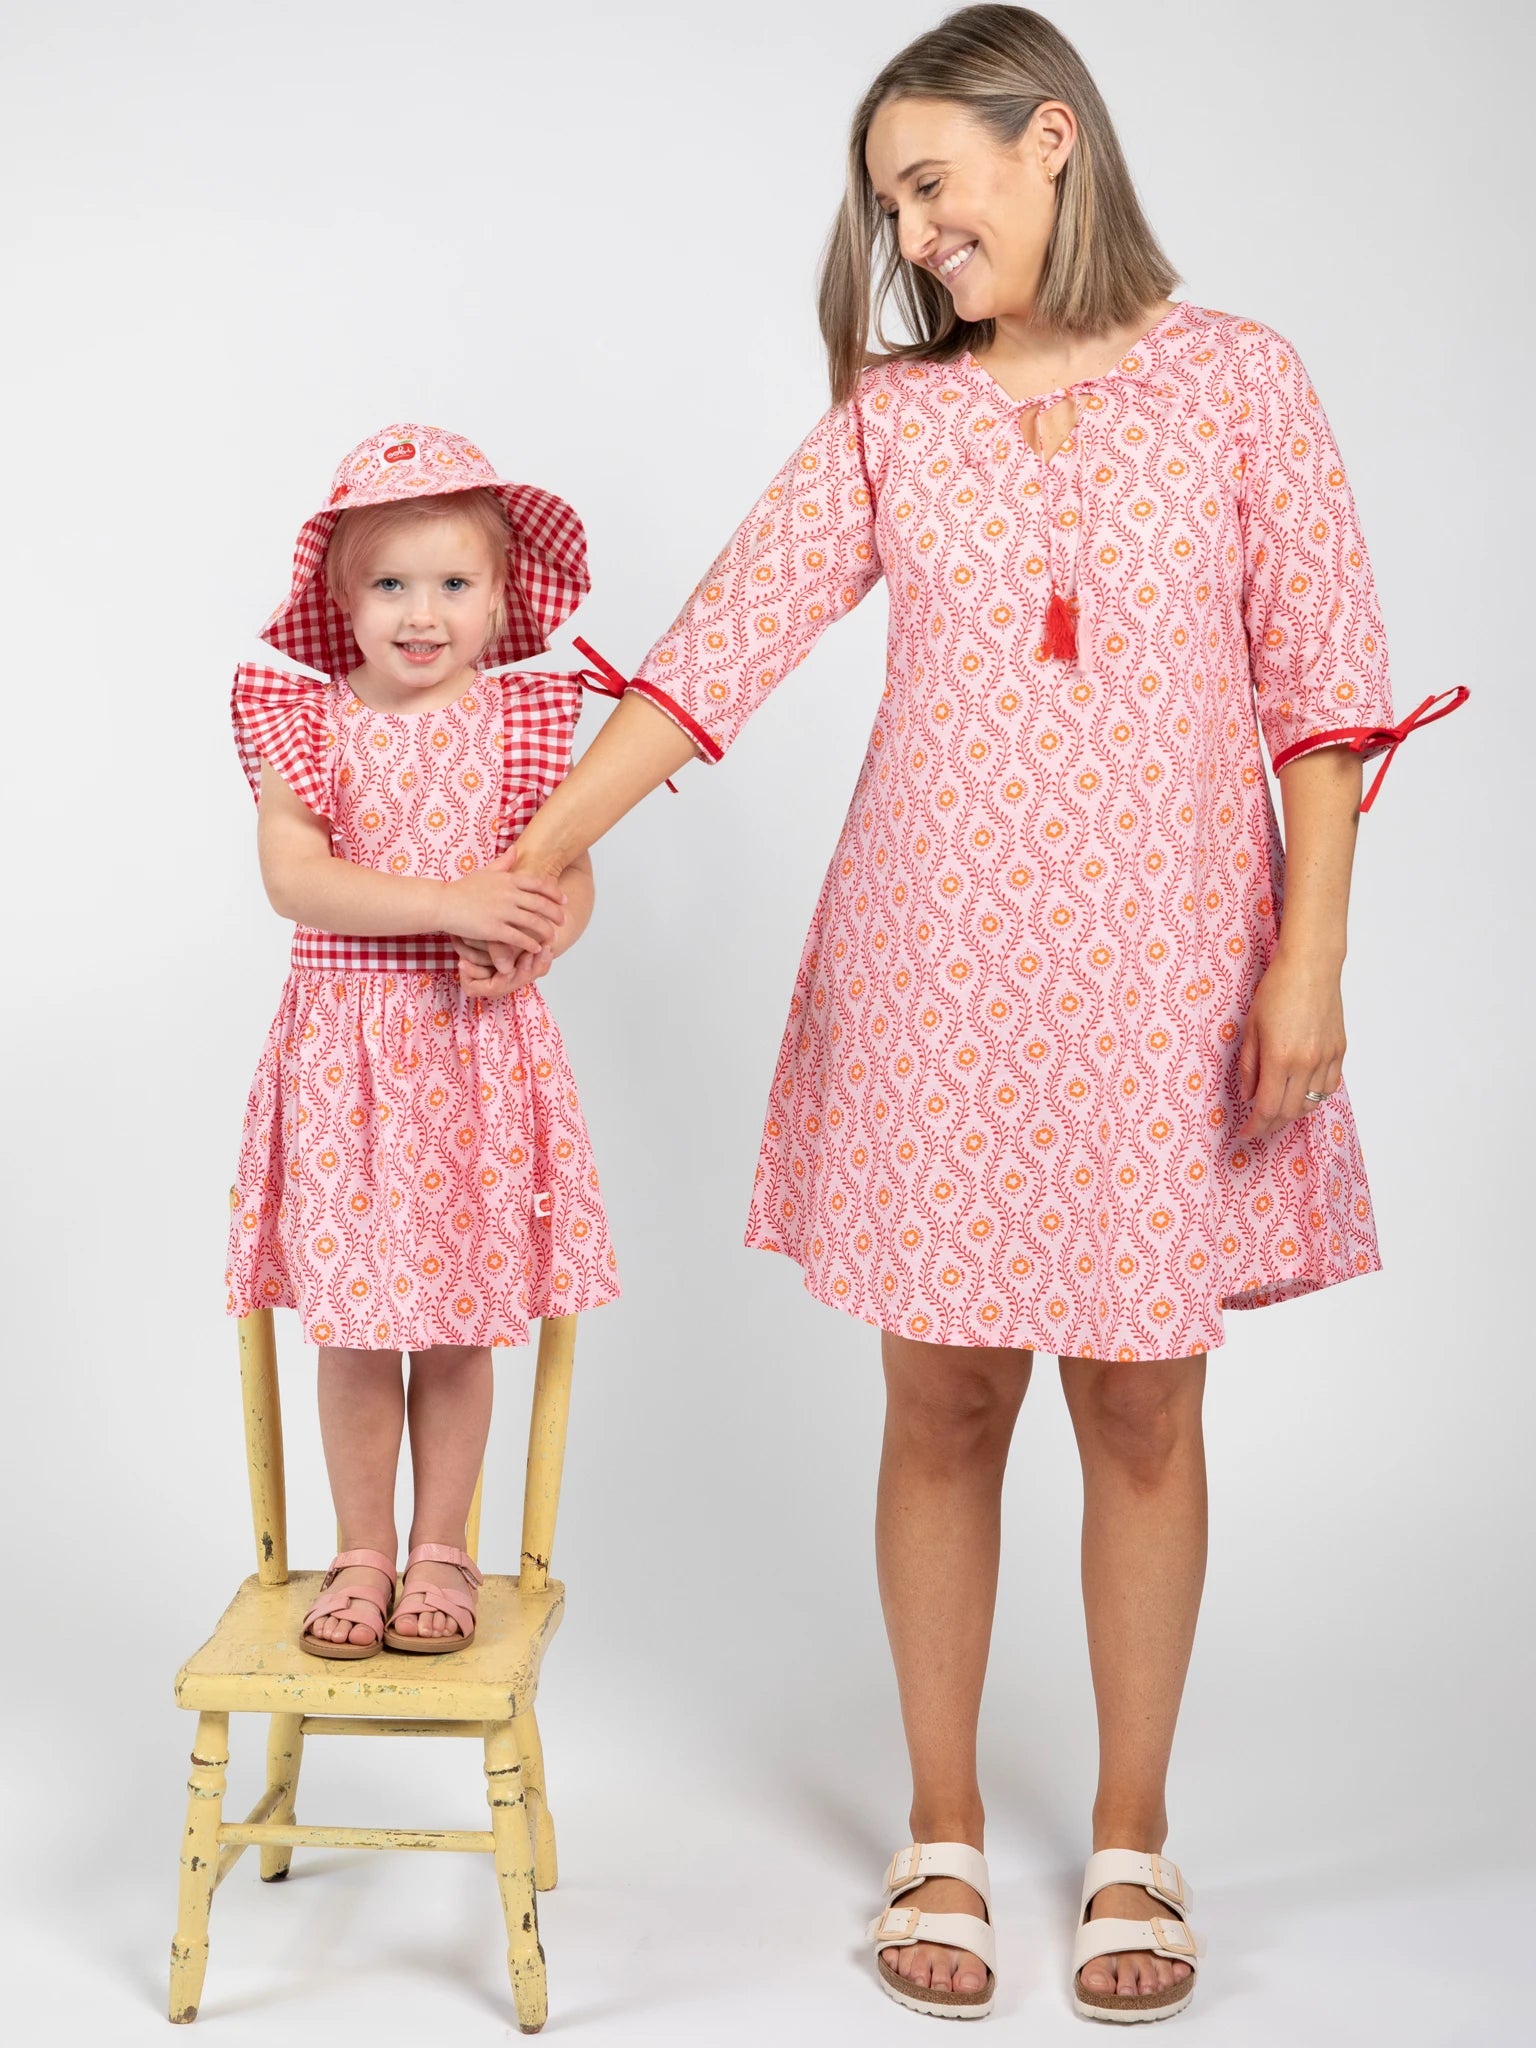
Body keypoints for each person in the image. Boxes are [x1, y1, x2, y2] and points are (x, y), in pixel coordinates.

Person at [459, 5, 1465, 2023]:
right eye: (893, 208)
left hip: (1174, 975)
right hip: (932, 973)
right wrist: (543, 856)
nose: (915, 234)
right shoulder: (897, 417)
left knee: (1145, 1402)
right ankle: (938, 1823)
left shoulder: (1243, 382)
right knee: (944, 1400)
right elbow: (721, 643)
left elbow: (1322, 693)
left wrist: (1314, 958)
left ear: (1051, 140)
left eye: (933, 184)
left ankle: (1132, 1836)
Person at [226, 423, 619, 1661]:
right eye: (390, 583)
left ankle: (441, 1547)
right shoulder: (305, 722)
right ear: (341, 600)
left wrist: (537, 935)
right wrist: (452, 900)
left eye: (454, 582)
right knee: (354, 1323)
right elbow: (297, 880)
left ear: (501, 597)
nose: (422, 611)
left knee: (454, 1321)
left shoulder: (524, 723)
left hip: (470, 1057)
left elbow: (568, 873)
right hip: (346, 1063)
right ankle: (362, 1548)